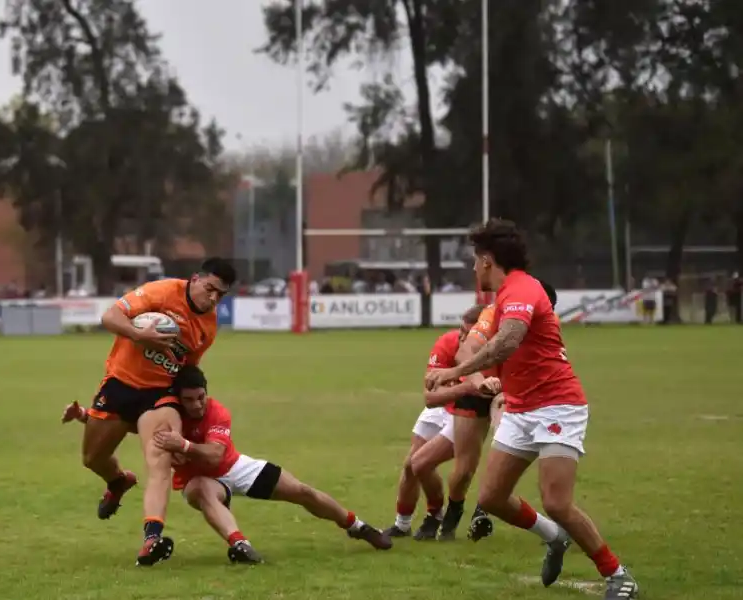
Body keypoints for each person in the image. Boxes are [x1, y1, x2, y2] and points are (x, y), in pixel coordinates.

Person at [425, 219, 639, 600]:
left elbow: (507, 342)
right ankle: (554, 537)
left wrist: (454, 373)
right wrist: (465, 370)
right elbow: (475, 344)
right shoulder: (501, 298)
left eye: (476, 261)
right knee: (490, 498)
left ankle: (618, 575)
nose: (474, 269)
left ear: (488, 260)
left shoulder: (524, 289)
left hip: (557, 406)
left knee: (556, 501)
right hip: (522, 409)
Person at [64, 365, 392, 563]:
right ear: (178, 399)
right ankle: (240, 545)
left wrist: (185, 445)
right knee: (202, 491)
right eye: (188, 399)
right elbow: (131, 427)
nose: (196, 405)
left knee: (302, 491)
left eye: (200, 397)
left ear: (208, 393)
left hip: (234, 468)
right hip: (195, 482)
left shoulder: (217, 412)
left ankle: (357, 526)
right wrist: (84, 417)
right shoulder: (169, 416)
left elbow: (216, 456)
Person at [82, 257, 236, 566]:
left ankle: (152, 537)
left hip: (161, 394)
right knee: (92, 458)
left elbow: (189, 371)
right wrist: (140, 335)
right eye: (211, 289)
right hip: (120, 385)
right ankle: (118, 481)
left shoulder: (208, 326)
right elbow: (110, 317)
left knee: (159, 462)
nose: (214, 298)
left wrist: (190, 420)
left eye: (222, 294)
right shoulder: (161, 292)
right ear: (196, 279)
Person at [383, 304, 486, 541]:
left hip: (465, 414)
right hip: (441, 409)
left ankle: (435, 515)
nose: (461, 338)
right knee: (411, 466)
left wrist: (453, 387)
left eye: (468, 335)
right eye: (461, 330)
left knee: (421, 464)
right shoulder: (447, 342)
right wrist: (469, 386)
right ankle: (402, 525)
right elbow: (430, 399)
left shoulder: (490, 357)